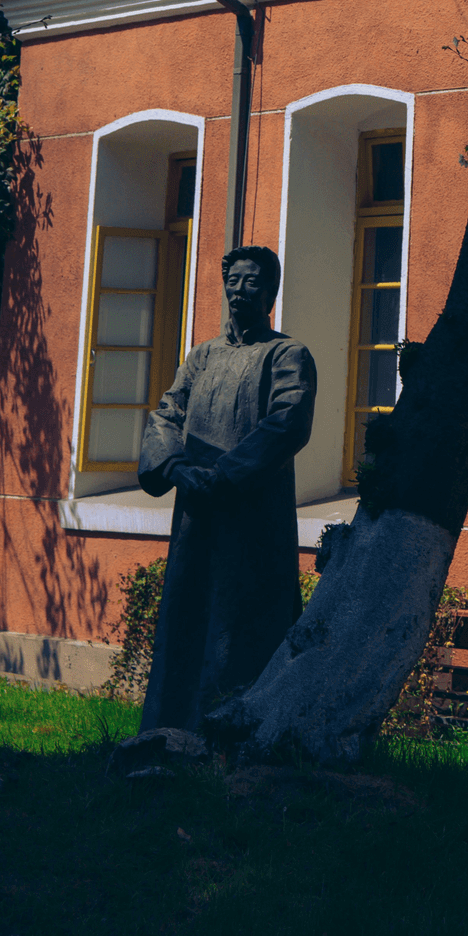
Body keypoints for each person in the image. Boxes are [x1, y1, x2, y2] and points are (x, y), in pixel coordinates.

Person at [136, 242, 316, 735]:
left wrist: (225, 475)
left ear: (270, 292)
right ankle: (171, 726)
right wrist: (174, 466)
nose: (240, 291)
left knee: (247, 616)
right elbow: (168, 412)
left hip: (252, 513)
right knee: (189, 614)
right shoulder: (202, 356)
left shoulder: (287, 354)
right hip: (196, 512)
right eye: (233, 280)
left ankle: (243, 731)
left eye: (252, 281)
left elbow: (288, 421)